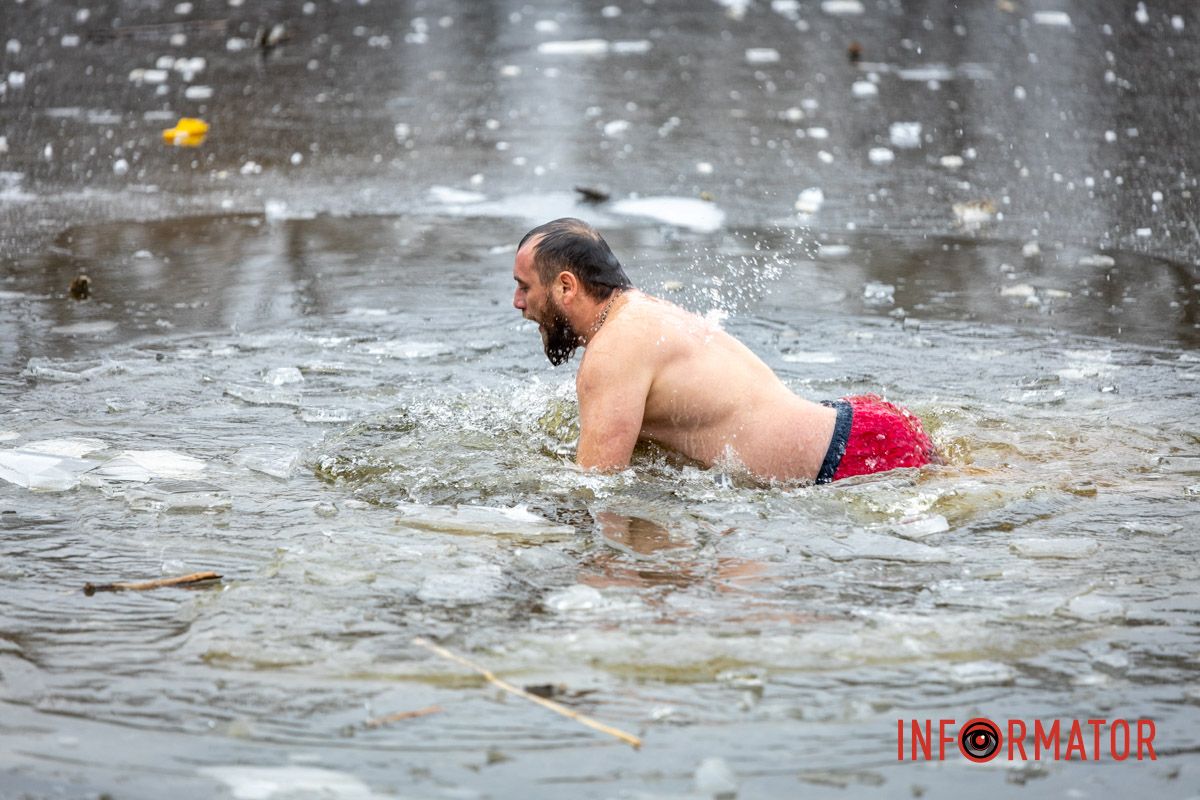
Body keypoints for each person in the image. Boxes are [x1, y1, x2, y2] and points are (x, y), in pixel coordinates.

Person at [511, 217, 937, 483]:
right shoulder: (644, 315)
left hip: (853, 460)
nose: (517, 302)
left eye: (524, 286)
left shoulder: (610, 353)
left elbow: (597, 488)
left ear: (566, 286)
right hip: (866, 426)